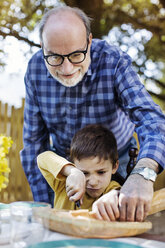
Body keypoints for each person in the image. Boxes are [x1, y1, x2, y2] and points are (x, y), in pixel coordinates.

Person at [20, 6, 165, 222]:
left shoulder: (113, 61)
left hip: (115, 158)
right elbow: (34, 144)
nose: (67, 68)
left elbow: (151, 119)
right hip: (66, 165)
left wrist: (143, 174)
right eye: (55, 57)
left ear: (89, 41)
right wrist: (47, 211)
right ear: (43, 48)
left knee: (115, 223)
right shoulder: (34, 70)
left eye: (76, 55)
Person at [37, 124, 120, 221]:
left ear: (114, 167)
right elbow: (42, 158)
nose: (93, 182)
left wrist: (116, 197)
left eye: (101, 172)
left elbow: (120, 195)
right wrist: (72, 172)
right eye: (84, 173)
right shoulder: (63, 183)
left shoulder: (111, 190)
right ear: (73, 164)